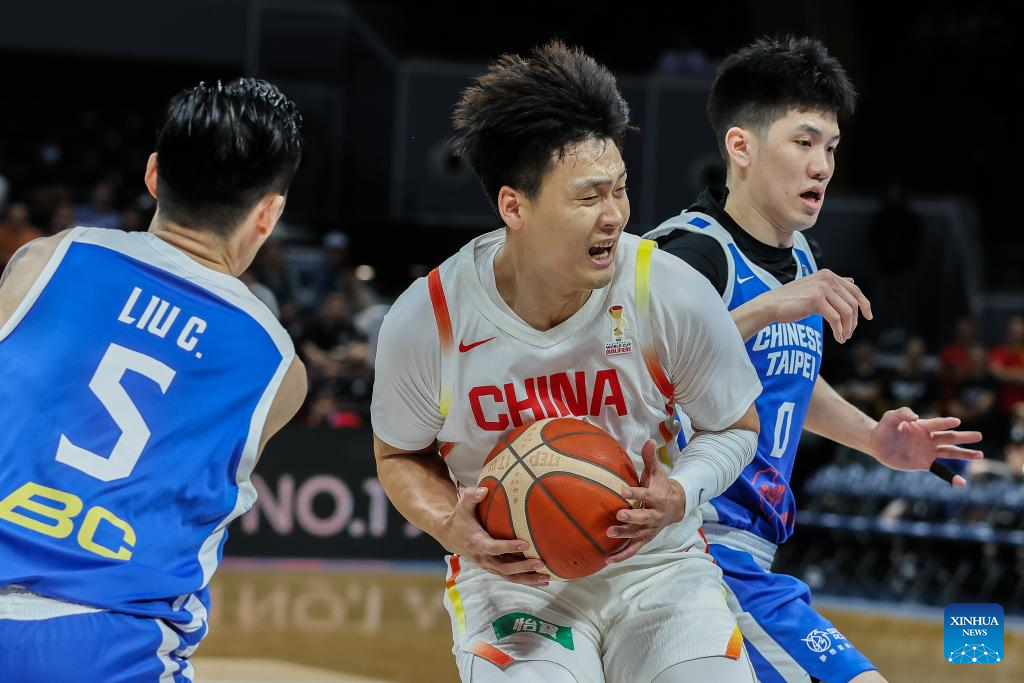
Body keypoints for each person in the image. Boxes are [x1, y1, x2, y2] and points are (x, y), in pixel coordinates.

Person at [372, 40, 762, 683]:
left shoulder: (666, 290)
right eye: (588, 198)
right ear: (514, 207)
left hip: (657, 567)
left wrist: (680, 490)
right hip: (512, 577)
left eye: (620, 190)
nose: (615, 216)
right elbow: (398, 456)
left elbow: (736, 427)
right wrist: (448, 524)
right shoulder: (429, 318)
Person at [644, 37, 983, 683]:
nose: (822, 165)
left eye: (830, 147)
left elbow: (788, 378)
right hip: (689, 548)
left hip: (749, 553)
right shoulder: (686, 256)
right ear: (741, 147)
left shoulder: (802, 256)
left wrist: (874, 438)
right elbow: (632, 378)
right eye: (803, 142)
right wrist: (766, 308)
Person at [0, 78, 307, 682]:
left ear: (153, 173)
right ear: (269, 213)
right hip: (110, 642)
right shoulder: (278, 368)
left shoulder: (46, 260)